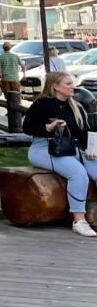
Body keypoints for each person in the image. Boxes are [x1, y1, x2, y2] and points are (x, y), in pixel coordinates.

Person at [23, 72, 97, 237]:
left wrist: (91, 151)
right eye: (68, 83)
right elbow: (27, 127)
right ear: (55, 86)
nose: (73, 87)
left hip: (73, 148)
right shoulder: (42, 104)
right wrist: (48, 128)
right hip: (44, 148)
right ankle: (79, 221)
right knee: (78, 173)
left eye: (72, 83)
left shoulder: (75, 107)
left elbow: (83, 134)